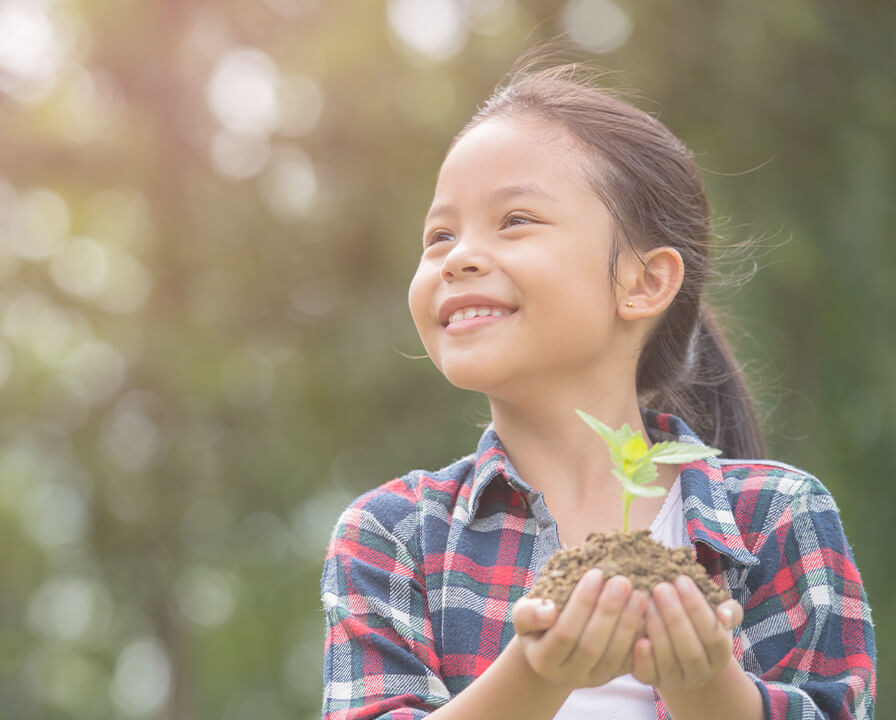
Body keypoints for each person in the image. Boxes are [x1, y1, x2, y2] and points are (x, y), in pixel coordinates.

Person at [319, 57, 876, 720]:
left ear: (643, 283)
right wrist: (532, 674)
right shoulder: (394, 534)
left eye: (516, 220)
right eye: (439, 234)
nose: (457, 256)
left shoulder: (780, 519)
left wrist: (707, 688)